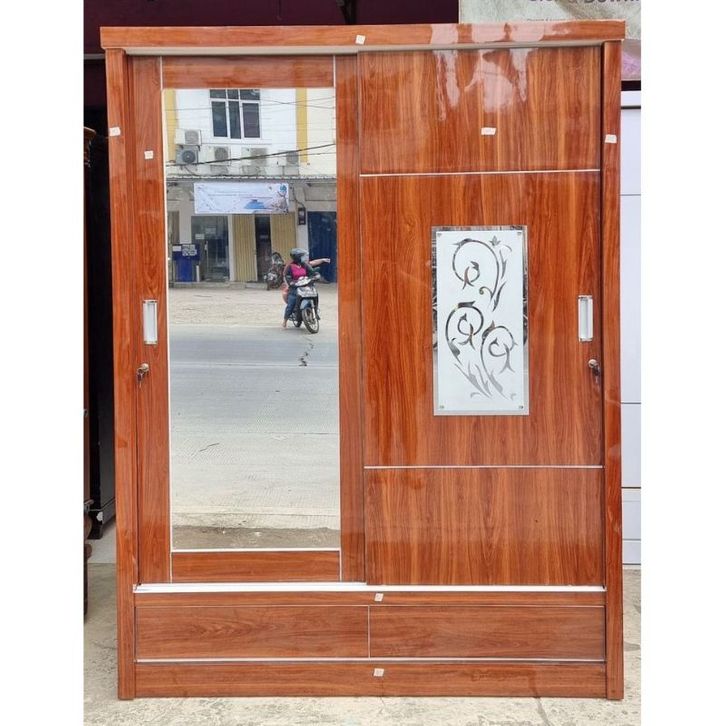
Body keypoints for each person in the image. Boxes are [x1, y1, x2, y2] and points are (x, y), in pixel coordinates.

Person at [282, 248, 319, 327]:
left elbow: (312, 272)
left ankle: (315, 312)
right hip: (295, 288)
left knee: (315, 295)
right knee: (291, 304)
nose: (304, 258)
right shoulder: (289, 267)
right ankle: (285, 320)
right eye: (302, 256)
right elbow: (288, 277)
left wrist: (316, 276)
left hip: (306, 286)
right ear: (297, 257)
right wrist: (292, 282)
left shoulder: (305, 265)